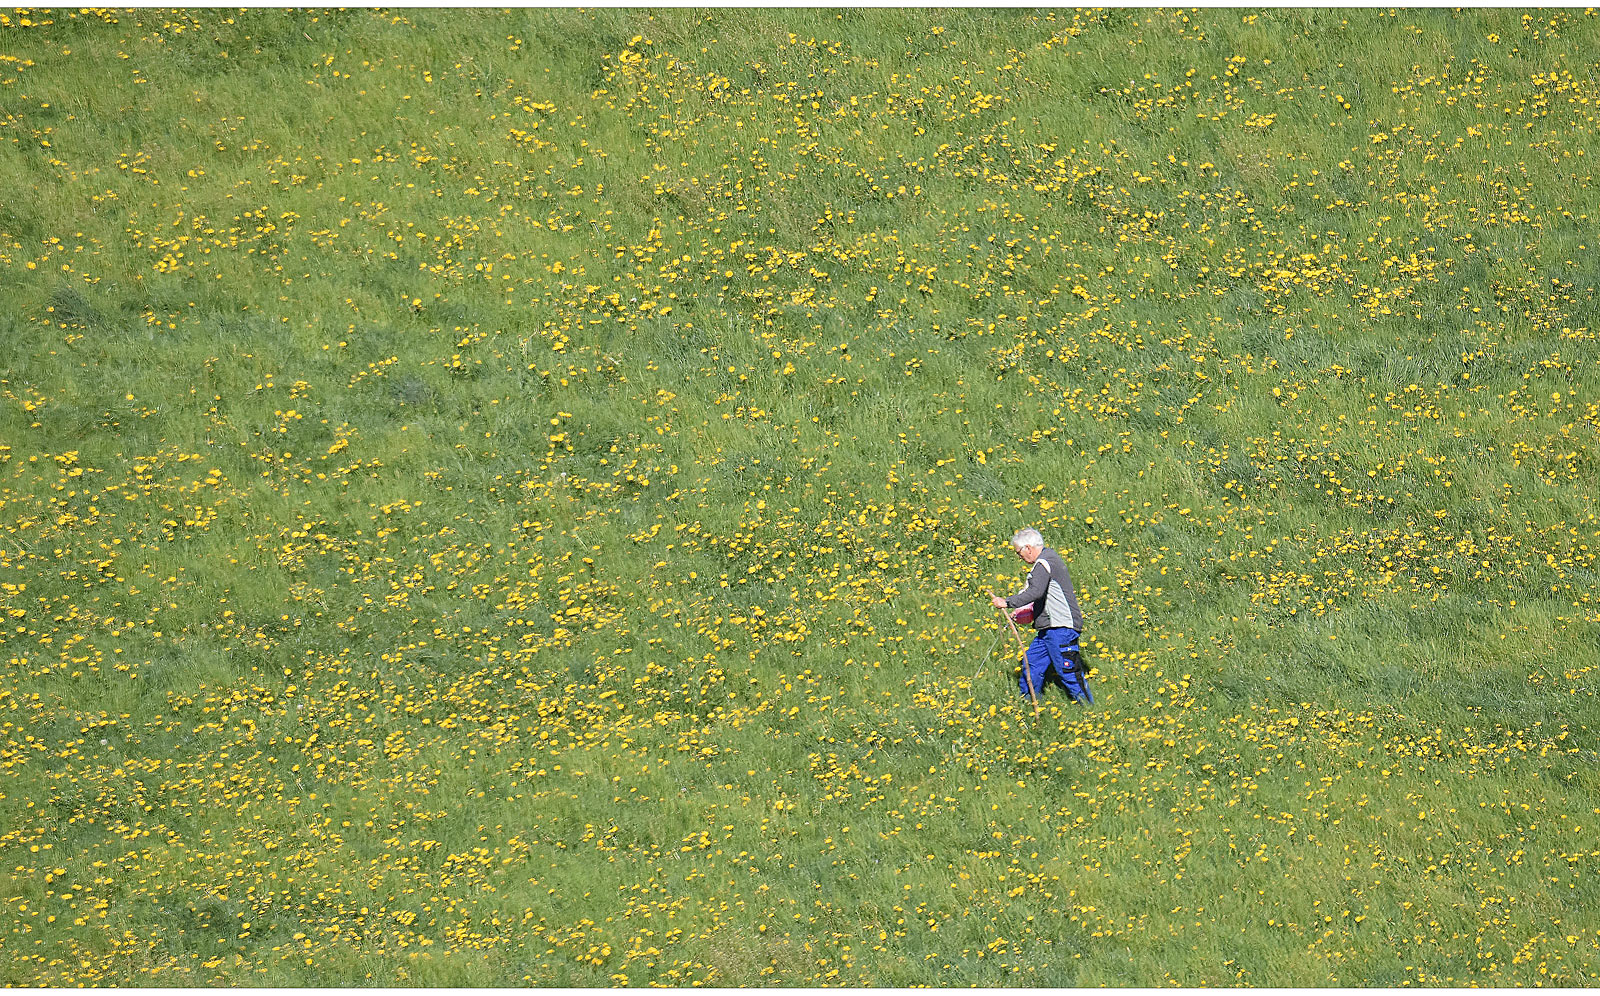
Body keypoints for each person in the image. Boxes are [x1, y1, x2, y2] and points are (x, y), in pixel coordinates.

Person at [991, 528, 1093, 704]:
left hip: (1061, 627)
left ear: (1028, 548)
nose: (1020, 557)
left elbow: (1035, 592)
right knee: (1031, 666)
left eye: (1019, 552)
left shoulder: (1044, 563)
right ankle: (1029, 704)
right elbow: (1040, 595)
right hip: (1047, 629)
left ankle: (1089, 709)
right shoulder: (1046, 562)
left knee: (1068, 671)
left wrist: (1007, 602)